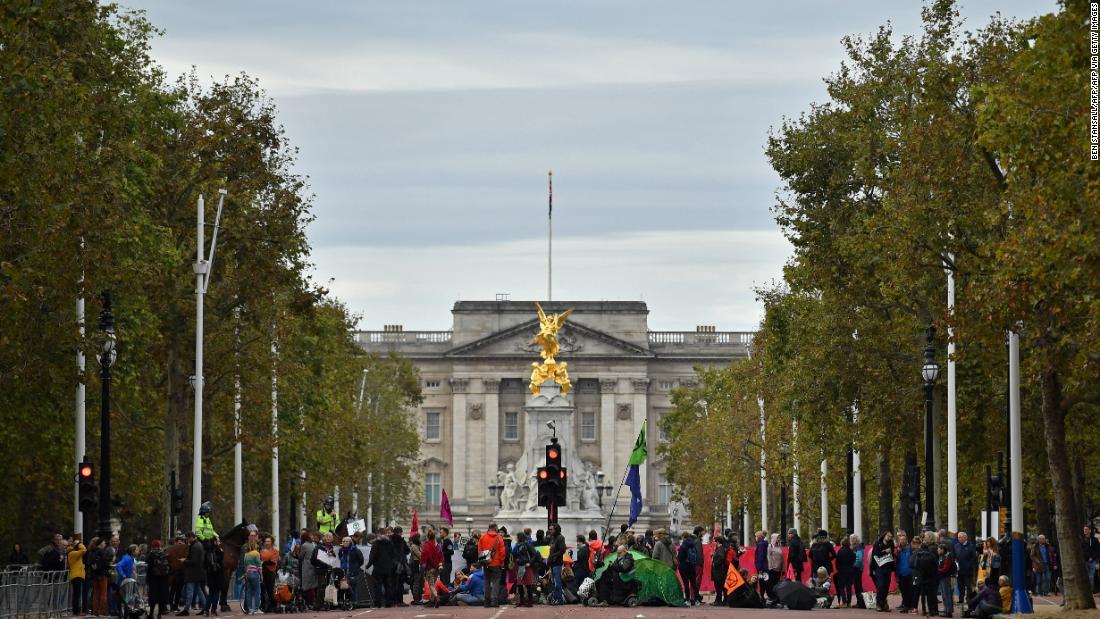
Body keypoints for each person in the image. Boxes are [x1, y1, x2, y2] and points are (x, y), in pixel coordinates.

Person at [176, 533, 206, 616]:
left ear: (191, 538)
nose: (186, 540)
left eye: (187, 538)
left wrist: (184, 561)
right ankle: (205, 607)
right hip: (198, 572)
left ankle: (186, 610)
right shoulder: (199, 545)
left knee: (190, 591)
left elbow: (194, 561)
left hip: (192, 573)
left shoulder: (194, 546)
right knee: (199, 590)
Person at [869, 530, 896, 612]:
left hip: (888, 567)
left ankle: (883, 603)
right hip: (879, 567)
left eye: (891, 536)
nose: (890, 538)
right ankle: (878, 603)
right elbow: (875, 554)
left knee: (886, 587)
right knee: (880, 586)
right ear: (884, 535)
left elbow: (892, 554)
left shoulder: (891, 544)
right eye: (888, 536)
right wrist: (885, 552)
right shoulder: (877, 543)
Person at [912, 540, 939, 617]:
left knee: (923, 595)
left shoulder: (919, 555)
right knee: (931, 595)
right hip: (931, 577)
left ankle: (924, 610)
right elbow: (936, 565)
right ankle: (932, 610)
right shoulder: (932, 555)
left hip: (921, 577)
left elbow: (915, 566)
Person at [146, 539, 171, 619]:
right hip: (163, 579)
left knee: (153, 597)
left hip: (153, 579)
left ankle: (151, 614)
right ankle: (159, 615)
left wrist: (148, 579)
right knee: (161, 598)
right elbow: (169, 566)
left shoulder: (150, 555)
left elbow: (148, 567)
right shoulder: (164, 553)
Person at [511, 532, 536, 607]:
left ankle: (530, 601)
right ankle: (522, 601)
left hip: (527, 566)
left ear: (520, 537)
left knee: (528, 584)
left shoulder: (528, 544)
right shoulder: (517, 545)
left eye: (517, 537)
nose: (516, 538)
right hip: (520, 566)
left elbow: (535, 554)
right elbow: (513, 553)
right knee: (520, 584)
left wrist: (530, 563)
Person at [419, 530, 442, 606]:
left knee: (431, 585)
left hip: (430, 568)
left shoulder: (427, 545)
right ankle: (432, 601)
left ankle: (436, 597)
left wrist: (422, 564)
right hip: (437, 568)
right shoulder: (438, 545)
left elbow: (425, 556)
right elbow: (441, 556)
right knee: (433, 584)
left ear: (427, 537)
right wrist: (439, 564)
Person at [677, 529, 700, 606]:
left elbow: (680, 557)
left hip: (684, 566)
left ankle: (687, 600)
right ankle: (696, 600)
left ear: (683, 537)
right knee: (693, 583)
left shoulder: (683, 546)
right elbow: (696, 554)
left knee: (686, 583)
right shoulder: (693, 544)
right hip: (692, 566)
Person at [546, 523, 566, 605]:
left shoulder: (561, 538)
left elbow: (562, 550)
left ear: (556, 529)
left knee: (557, 581)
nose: (550, 531)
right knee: (553, 582)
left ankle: (559, 599)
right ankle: (556, 598)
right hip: (552, 562)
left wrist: (553, 556)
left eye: (551, 529)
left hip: (557, 562)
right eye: (549, 529)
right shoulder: (551, 538)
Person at [954, 532, 977, 605]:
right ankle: (961, 599)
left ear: (965, 538)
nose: (959, 538)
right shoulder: (956, 546)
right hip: (959, 570)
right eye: (958, 537)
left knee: (968, 585)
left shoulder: (971, 546)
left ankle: (968, 599)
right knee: (960, 586)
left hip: (968, 570)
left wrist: (969, 565)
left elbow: (974, 558)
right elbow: (955, 556)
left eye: (960, 537)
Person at [202, 538, 223, 617]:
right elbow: (221, 561)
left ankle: (206, 610)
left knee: (210, 593)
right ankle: (213, 610)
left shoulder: (207, 551)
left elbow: (204, 563)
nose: (219, 542)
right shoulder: (219, 550)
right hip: (218, 574)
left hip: (209, 574)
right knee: (216, 593)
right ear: (215, 542)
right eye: (218, 541)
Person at [241, 541, 263, 615]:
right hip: (255, 573)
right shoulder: (256, 553)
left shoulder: (246, 554)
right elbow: (259, 565)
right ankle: (256, 609)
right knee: (257, 591)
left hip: (248, 573)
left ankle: (250, 609)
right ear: (254, 547)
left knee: (249, 592)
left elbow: (245, 565)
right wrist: (261, 575)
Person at [937, 540, 957, 617]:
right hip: (943, 577)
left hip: (945, 577)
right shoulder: (943, 556)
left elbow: (945, 569)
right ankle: (947, 610)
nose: (937, 550)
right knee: (944, 595)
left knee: (946, 595)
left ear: (942, 549)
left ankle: (948, 611)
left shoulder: (947, 557)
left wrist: (937, 570)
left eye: (938, 549)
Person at [258, 535, 278, 612]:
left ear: (272, 542)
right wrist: (265, 562)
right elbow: (259, 560)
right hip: (262, 572)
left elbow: (273, 562)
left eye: (269, 541)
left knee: (270, 590)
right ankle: (263, 606)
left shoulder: (275, 551)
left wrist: (263, 562)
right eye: (266, 541)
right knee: (262, 590)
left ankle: (273, 606)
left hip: (271, 573)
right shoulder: (261, 551)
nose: (267, 543)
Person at [836, 535, 856, 608]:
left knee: (841, 587)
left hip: (842, 571)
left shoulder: (840, 551)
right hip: (850, 571)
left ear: (842, 543)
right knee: (849, 587)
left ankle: (844, 602)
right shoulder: (851, 551)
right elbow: (854, 560)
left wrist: (838, 569)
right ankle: (849, 602)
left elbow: (837, 562)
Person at [711, 536, 730, 606]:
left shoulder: (720, 549)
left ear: (718, 542)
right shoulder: (720, 549)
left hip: (718, 571)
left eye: (714, 542)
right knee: (720, 586)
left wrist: (715, 563)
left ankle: (719, 601)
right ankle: (721, 600)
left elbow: (722, 557)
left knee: (718, 586)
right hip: (719, 571)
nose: (714, 543)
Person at [1084, 525, 1100, 594]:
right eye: (1084, 529)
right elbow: (1082, 550)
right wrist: (1087, 558)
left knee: (1091, 576)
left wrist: (1092, 558)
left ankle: (1090, 591)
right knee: (1086, 577)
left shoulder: (1095, 540)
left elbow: (1097, 550)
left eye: (1086, 529)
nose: (1085, 531)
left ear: (1090, 530)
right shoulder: (1082, 540)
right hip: (1085, 560)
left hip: (1093, 561)